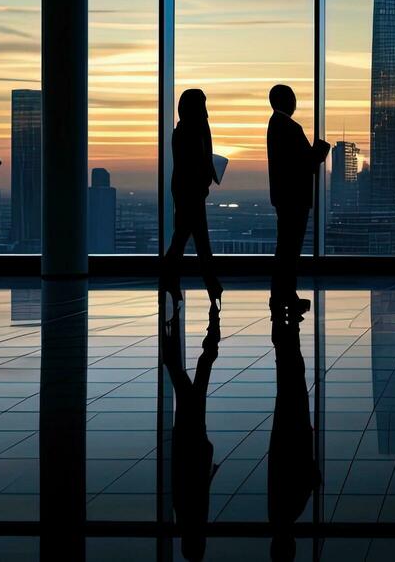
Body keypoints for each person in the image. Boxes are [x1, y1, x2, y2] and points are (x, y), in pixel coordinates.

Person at [161, 286, 220, 562]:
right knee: (182, 371)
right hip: (188, 435)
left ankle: (212, 320)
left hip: (194, 436)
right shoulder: (182, 513)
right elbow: (178, 477)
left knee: (199, 369)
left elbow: (199, 487)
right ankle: (179, 321)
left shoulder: (195, 517)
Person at [267, 84, 331, 317]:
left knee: (285, 248)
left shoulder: (274, 124)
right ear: (286, 101)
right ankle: (284, 296)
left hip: (283, 196)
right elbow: (308, 163)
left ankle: (282, 295)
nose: (295, 102)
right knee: (290, 250)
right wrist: (322, 150)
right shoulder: (291, 128)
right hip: (295, 197)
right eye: (293, 98)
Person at [267, 309, 319, 562]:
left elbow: (306, 474)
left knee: (293, 373)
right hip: (287, 433)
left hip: (293, 432)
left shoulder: (287, 512)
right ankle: (284, 322)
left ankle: (285, 321)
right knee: (289, 370)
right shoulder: (279, 515)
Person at [167, 88, 223, 305]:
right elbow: (195, 163)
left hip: (188, 190)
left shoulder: (186, 130)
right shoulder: (187, 132)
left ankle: (208, 285)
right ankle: (211, 285)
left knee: (186, 238)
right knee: (194, 239)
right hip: (189, 190)